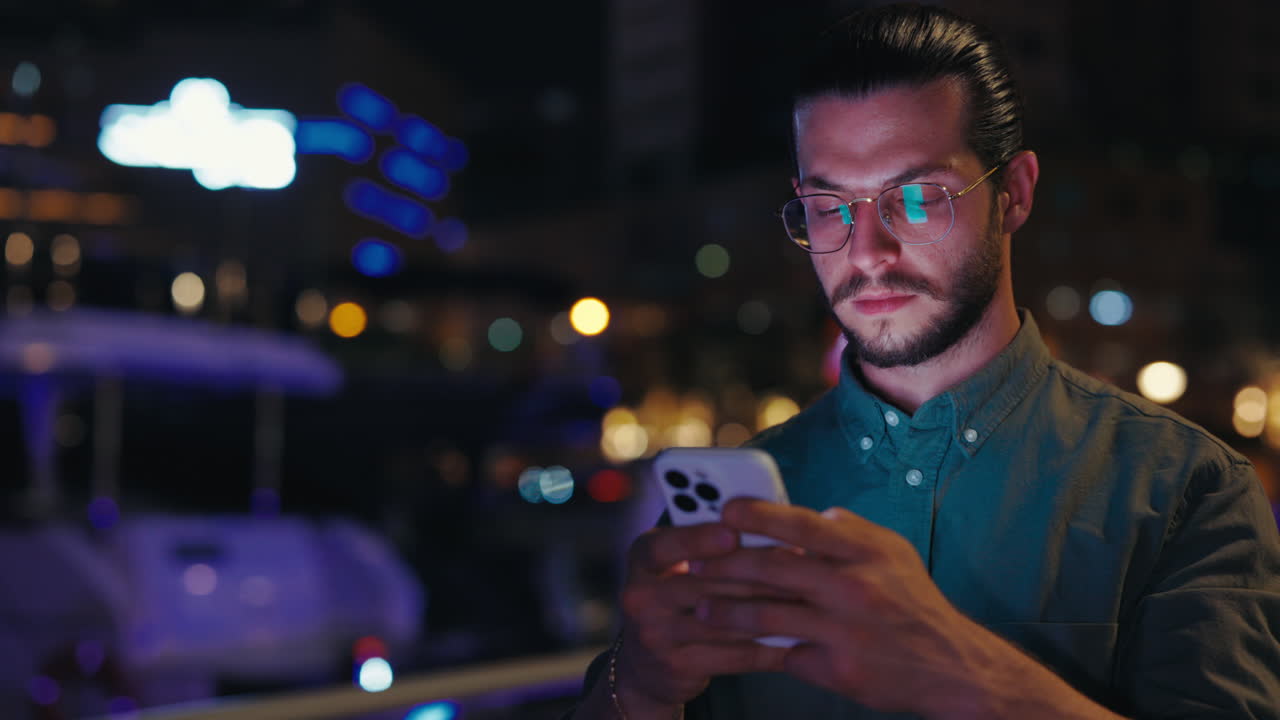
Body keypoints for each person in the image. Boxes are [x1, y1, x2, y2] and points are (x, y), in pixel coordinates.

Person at [568, 4, 1280, 718]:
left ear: (1016, 194)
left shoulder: (1189, 494)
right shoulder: (744, 505)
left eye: (915, 197)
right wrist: (643, 687)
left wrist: (961, 670)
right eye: (830, 206)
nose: (867, 251)